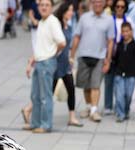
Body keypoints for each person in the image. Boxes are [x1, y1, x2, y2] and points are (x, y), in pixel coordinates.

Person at [25, 0, 66, 133]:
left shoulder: (52, 21)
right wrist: (31, 61)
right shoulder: (42, 22)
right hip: (39, 61)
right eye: (41, 5)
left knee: (45, 96)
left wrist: (52, 54)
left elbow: (62, 42)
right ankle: (35, 122)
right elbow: (39, 45)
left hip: (47, 62)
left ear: (51, 7)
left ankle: (46, 124)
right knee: (35, 95)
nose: (44, 7)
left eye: (47, 5)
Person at [70, 0, 114, 122]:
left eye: (100, 2)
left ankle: (94, 111)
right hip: (83, 55)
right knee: (85, 85)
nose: (98, 4)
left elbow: (110, 41)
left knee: (95, 84)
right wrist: (72, 56)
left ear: (104, 4)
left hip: (99, 57)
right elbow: (77, 36)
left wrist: (108, 59)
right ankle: (89, 106)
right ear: (92, 3)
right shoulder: (84, 17)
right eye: (95, 2)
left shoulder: (109, 20)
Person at [53, 1, 82, 126]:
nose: (71, 13)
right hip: (56, 64)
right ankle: (29, 109)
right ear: (63, 11)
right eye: (69, 10)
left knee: (71, 90)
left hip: (65, 65)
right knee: (48, 92)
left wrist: (71, 57)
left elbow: (69, 45)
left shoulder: (68, 27)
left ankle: (72, 117)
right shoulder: (57, 26)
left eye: (72, 10)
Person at [104, 0, 128, 114]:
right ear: (114, 7)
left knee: (120, 82)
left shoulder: (129, 21)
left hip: (122, 55)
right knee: (108, 81)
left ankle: (119, 105)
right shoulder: (109, 20)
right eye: (117, 6)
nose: (119, 9)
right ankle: (108, 106)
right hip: (110, 53)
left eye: (122, 7)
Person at [113, 20, 135, 120]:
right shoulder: (119, 45)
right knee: (119, 95)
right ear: (121, 33)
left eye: (127, 31)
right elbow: (115, 58)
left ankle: (126, 111)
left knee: (128, 95)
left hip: (131, 74)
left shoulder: (134, 45)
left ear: (131, 31)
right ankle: (120, 114)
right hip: (119, 73)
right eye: (123, 31)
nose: (125, 33)